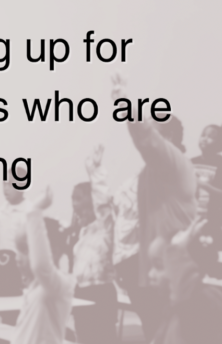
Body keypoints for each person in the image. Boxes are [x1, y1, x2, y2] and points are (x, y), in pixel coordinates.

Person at [112, 73, 197, 340]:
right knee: (156, 333)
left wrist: (125, 104)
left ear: (169, 137)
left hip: (175, 272)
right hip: (152, 270)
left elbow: (148, 140)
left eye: (156, 128)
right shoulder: (152, 172)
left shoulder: (175, 163)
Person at [12, 186, 77, 344]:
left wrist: (34, 211)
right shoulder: (35, 288)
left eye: (26, 250)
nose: (17, 258)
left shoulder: (59, 285)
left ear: (52, 252)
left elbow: (40, 266)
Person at [69, 145, 118, 344]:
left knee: (102, 340)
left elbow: (104, 203)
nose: (73, 204)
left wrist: (95, 172)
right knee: (84, 339)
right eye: (72, 199)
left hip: (101, 294)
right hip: (81, 292)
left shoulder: (105, 226)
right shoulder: (82, 233)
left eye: (78, 199)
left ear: (91, 201)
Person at [148, 218, 222, 344]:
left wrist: (176, 250)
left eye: (160, 266)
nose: (150, 274)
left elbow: (185, 292)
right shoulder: (172, 310)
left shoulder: (203, 302)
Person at [190, 124, 222, 277]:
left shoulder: (220, 164)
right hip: (190, 221)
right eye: (204, 134)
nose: (205, 139)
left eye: (211, 137)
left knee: (206, 260)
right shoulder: (190, 162)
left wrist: (203, 185)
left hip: (211, 223)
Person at [0, 165, 28, 252]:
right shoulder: (0, 211)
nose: (6, 188)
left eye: (11, 184)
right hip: (1, 262)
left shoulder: (29, 212)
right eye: (4, 183)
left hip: (19, 263)